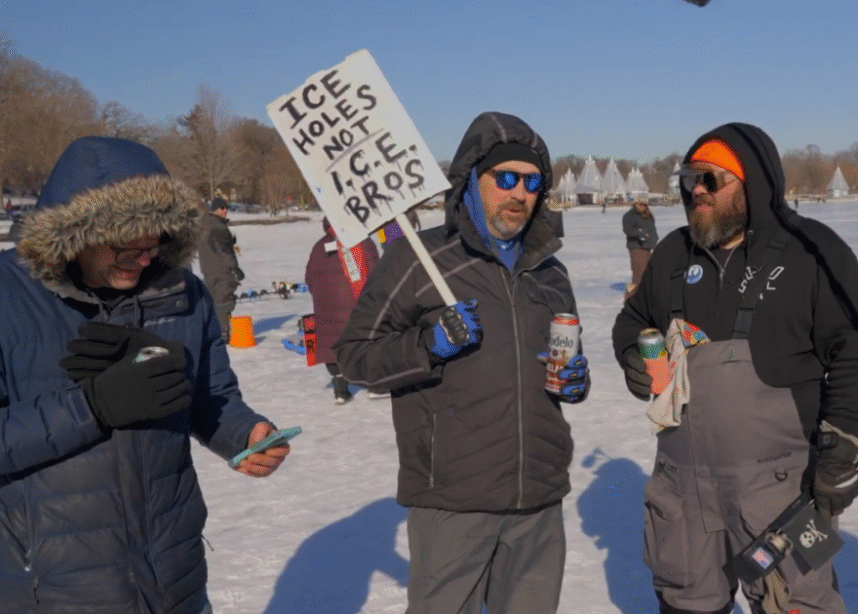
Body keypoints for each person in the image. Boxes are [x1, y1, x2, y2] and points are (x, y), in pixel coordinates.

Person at [0, 136, 290, 613]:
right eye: (125, 246)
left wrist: (243, 433)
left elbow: (210, 395)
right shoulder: (8, 299)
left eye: (154, 245)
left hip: (174, 580)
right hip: (55, 593)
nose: (143, 259)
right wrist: (92, 407)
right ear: (74, 233)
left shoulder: (183, 293)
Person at [612, 123, 858, 614]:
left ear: (751, 184)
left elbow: (856, 354)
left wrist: (840, 446)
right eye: (689, 178)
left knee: (800, 602)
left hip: (783, 488)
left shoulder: (813, 251)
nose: (696, 190)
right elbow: (633, 322)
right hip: (682, 485)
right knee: (683, 601)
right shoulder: (673, 253)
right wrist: (633, 356)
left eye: (710, 180)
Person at [334, 111, 589, 614]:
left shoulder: (550, 271)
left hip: (537, 495)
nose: (520, 193)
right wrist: (429, 343)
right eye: (507, 178)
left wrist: (575, 381)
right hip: (454, 499)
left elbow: (562, 361)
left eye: (533, 181)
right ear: (472, 178)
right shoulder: (418, 258)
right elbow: (354, 357)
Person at [304, 216, 391, 404]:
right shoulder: (363, 242)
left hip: (326, 308)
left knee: (331, 344)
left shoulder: (318, 247)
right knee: (367, 342)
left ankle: (340, 390)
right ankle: (375, 386)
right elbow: (377, 274)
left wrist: (322, 298)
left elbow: (309, 278)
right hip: (358, 306)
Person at [197, 197, 244, 343]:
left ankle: (212, 333)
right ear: (215, 209)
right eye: (222, 208)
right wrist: (235, 268)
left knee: (211, 303)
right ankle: (224, 334)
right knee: (224, 302)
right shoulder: (218, 226)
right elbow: (223, 250)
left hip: (208, 270)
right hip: (221, 271)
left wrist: (230, 241)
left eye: (227, 208)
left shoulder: (204, 224)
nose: (225, 211)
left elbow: (211, 244)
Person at [621, 199, 658, 299]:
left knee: (647, 273)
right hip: (636, 247)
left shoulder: (647, 216)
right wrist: (640, 234)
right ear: (635, 204)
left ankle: (643, 297)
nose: (643, 206)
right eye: (640, 204)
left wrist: (654, 240)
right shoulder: (630, 215)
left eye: (645, 205)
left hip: (647, 248)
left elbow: (652, 230)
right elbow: (628, 229)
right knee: (639, 274)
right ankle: (630, 297)